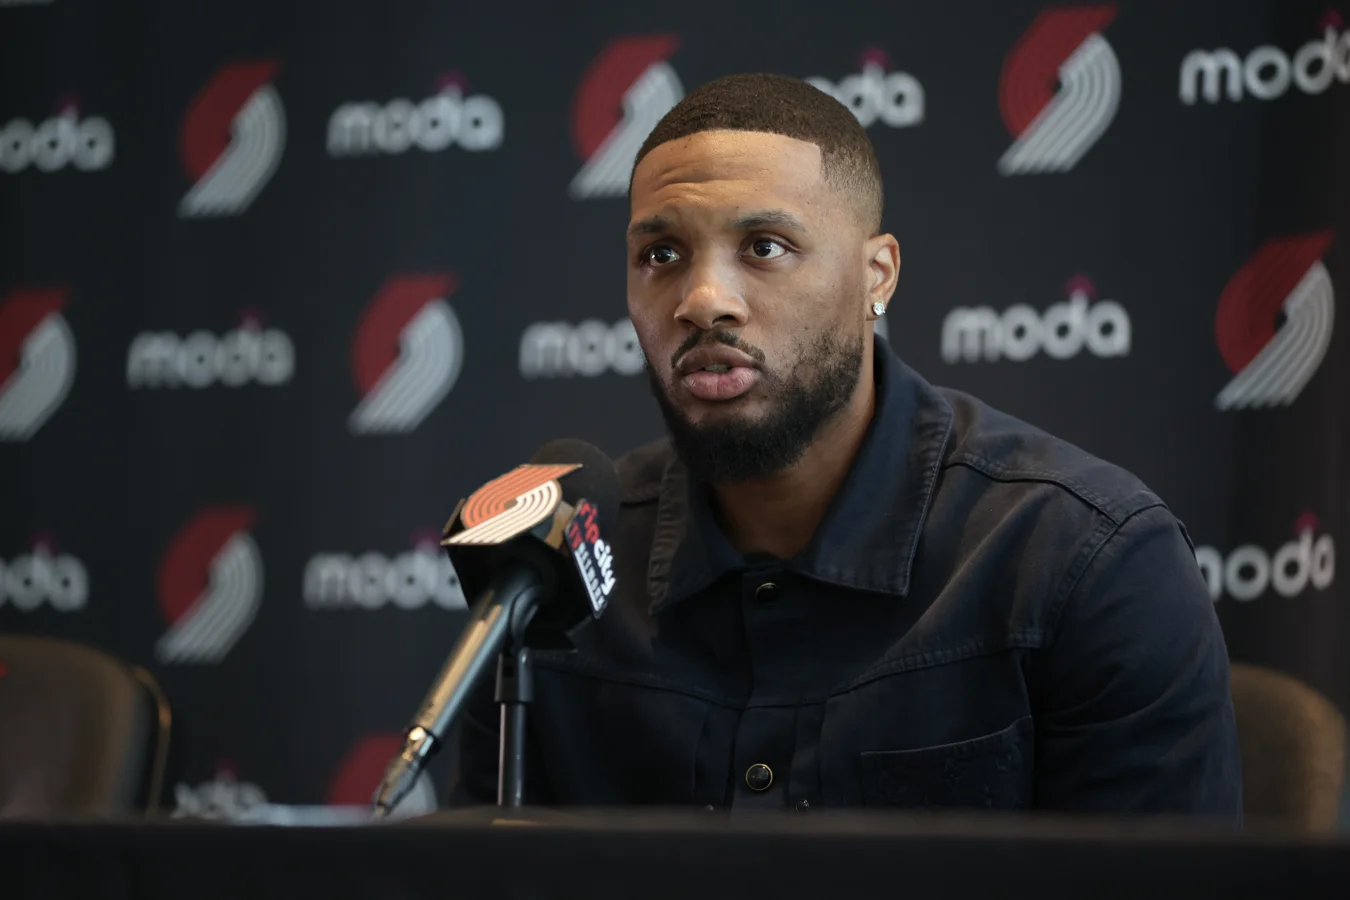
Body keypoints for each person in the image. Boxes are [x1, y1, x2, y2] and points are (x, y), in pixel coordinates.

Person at [448, 73, 1243, 817]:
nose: (702, 301)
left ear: (877, 276)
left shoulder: (1085, 560)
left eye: (765, 246)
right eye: (662, 255)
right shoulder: (548, 573)